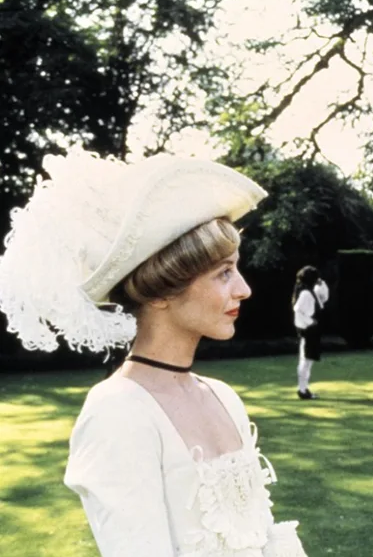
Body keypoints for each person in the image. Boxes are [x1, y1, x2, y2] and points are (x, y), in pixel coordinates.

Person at [0, 152, 308, 557]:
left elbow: (264, 538)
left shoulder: (223, 397)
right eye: (223, 273)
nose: (244, 289)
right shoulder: (118, 412)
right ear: (162, 292)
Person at [292, 265, 329, 400]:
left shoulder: (310, 291)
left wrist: (322, 283)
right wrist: (309, 321)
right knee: (305, 360)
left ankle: (304, 388)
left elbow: (324, 297)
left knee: (308, 361)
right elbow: (297, 309)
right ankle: (302, 389)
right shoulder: (306, 293)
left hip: (312, 331)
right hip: (308, 331)